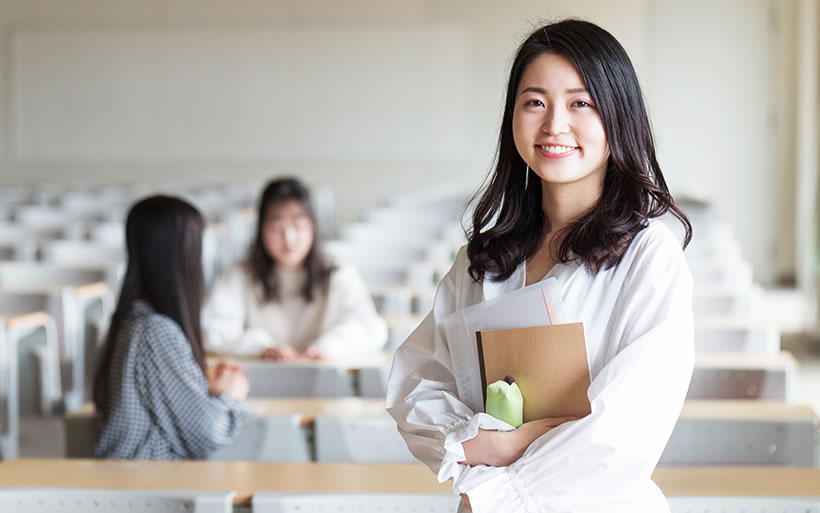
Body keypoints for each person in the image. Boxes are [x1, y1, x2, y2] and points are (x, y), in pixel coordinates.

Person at [386, 19, 694, 513]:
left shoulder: (648, 256)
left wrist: (496, 486)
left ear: (619, 117)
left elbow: (621, 434)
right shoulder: (482, 259)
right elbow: (417, 383)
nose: (554, 125)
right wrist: (482, 446)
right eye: (535, 102)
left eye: (580, 103)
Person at [93, 195, 249, 460]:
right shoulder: (155, 331)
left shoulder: (133, 317)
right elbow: (205, 436)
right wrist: (230, 394)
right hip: (146, 489)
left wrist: (197, 383)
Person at [203, 177, 387, 360]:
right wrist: (262, 348)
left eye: (297, 226)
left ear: (313, 228)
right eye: (277, 228)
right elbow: (213, 329)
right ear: (261, 230)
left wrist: (329, 347)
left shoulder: (337, 272)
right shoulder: (240, 274)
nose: (288, 238)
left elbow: (370, 328)